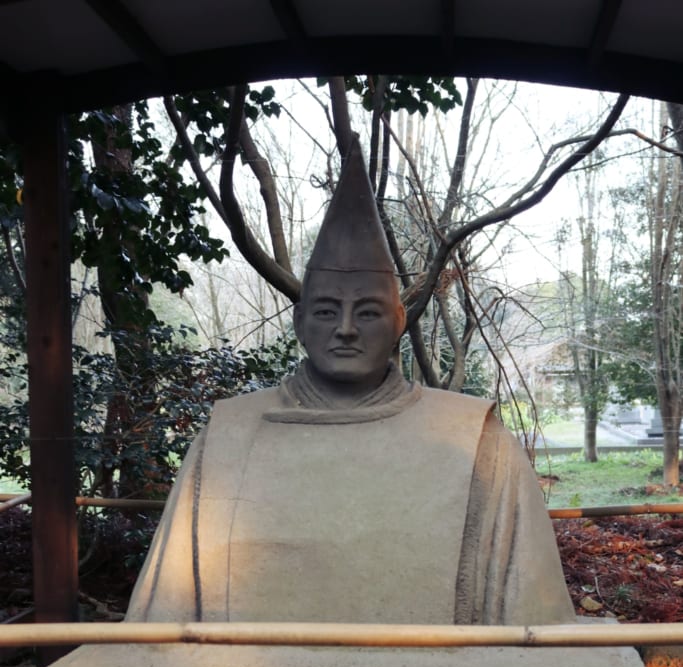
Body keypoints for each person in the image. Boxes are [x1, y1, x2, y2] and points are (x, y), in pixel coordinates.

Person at [126, 137, 574, 625]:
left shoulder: (478, 444)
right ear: (298, 323)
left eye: (367, 311)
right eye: (325, 310)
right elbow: (162, 623)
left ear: (400, 320)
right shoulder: (227, 436)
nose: (344, 328)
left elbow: (536, 626)